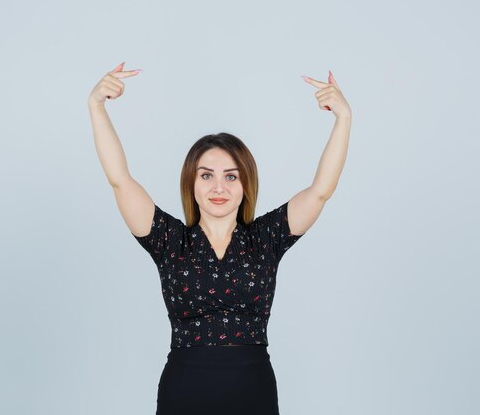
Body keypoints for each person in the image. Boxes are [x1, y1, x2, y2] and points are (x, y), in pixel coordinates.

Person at [88, 62, 352, 415]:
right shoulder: (170, 241)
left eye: (231, 176)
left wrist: (343, 119)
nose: (218, 187)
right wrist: (97, 106)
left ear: (245, 185)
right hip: (184, 391)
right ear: (191, 183)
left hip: (253, 390)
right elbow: (121, 180)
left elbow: (320, 192)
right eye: (207, 175)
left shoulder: (266, 238)